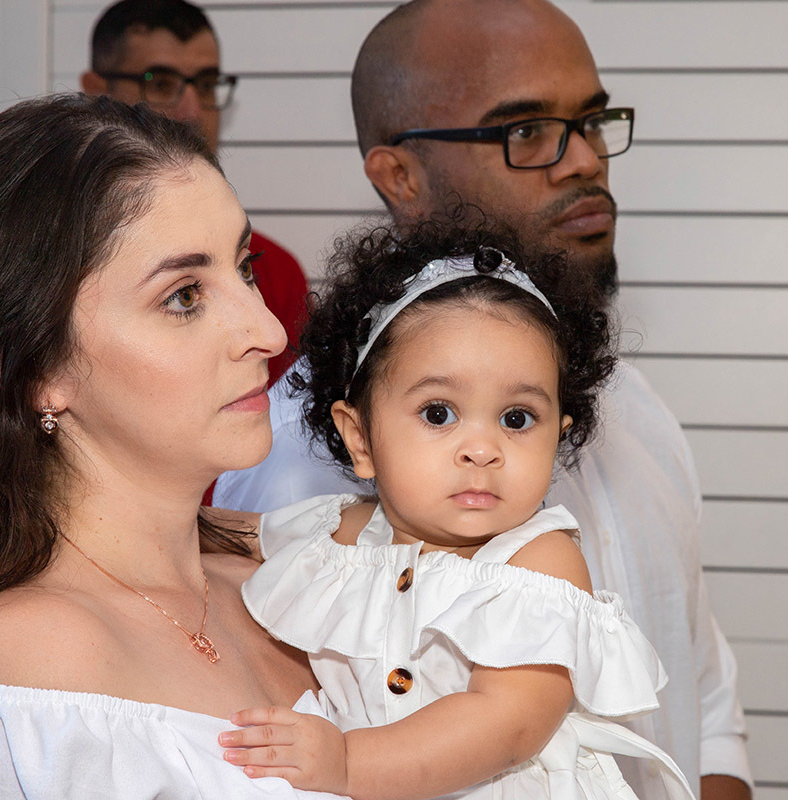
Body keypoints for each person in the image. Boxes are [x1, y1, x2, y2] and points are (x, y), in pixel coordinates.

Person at [211, 1, 753, 797]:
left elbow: (703, 695)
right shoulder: (283, 452)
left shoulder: (639, 411)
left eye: (593, 121)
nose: (584, 162)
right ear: (400, 175)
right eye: (526, 131)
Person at [0, 94, 347, 800]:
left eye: (246, 267)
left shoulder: (293, 581)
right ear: (31, 367)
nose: (265, 330)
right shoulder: (30, 660)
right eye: (183, 297)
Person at [218, 221, 695, 800]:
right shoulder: (338, 531)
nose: (482, 448)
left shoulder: (539, 563)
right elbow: (232, 536)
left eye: (517, 419)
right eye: (439, 413)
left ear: (557, 439)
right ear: (361, 437)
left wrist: (347, 759)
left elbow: (506, 725)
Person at [82, 0, 308, 384]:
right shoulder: (53, 260)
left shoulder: (276, 273)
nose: (190, 111)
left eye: (205, 85)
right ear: (96, 91)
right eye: (161, 83)